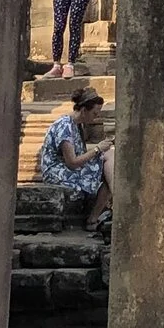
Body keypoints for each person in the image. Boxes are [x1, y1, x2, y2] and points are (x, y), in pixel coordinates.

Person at [35, 88, 112, 232]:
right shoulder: (65, 126)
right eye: (94, 113)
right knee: (108, 158)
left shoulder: (78, 126)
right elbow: (72, 162)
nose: (95, 117)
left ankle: (94, 217)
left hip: (70, 168)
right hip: (57, 172)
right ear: (84, 110)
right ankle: (96, 216)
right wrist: (97, 149)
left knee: (111, 165)